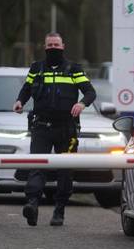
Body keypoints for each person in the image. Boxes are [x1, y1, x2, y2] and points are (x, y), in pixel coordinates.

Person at [13, 33, 96, 227]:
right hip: (41, 126)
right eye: (49, 45)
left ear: (63, 46)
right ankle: (32, 204)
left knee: (65, 172)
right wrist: (19, 101)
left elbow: (90, 92)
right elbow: (27, 88)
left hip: (66, 129)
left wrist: (82, 104)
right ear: (44, 47)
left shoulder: (73, 69)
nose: (53, 48)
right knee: (37, 167)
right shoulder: (36, 68)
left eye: (56, 45)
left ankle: (59, 210)